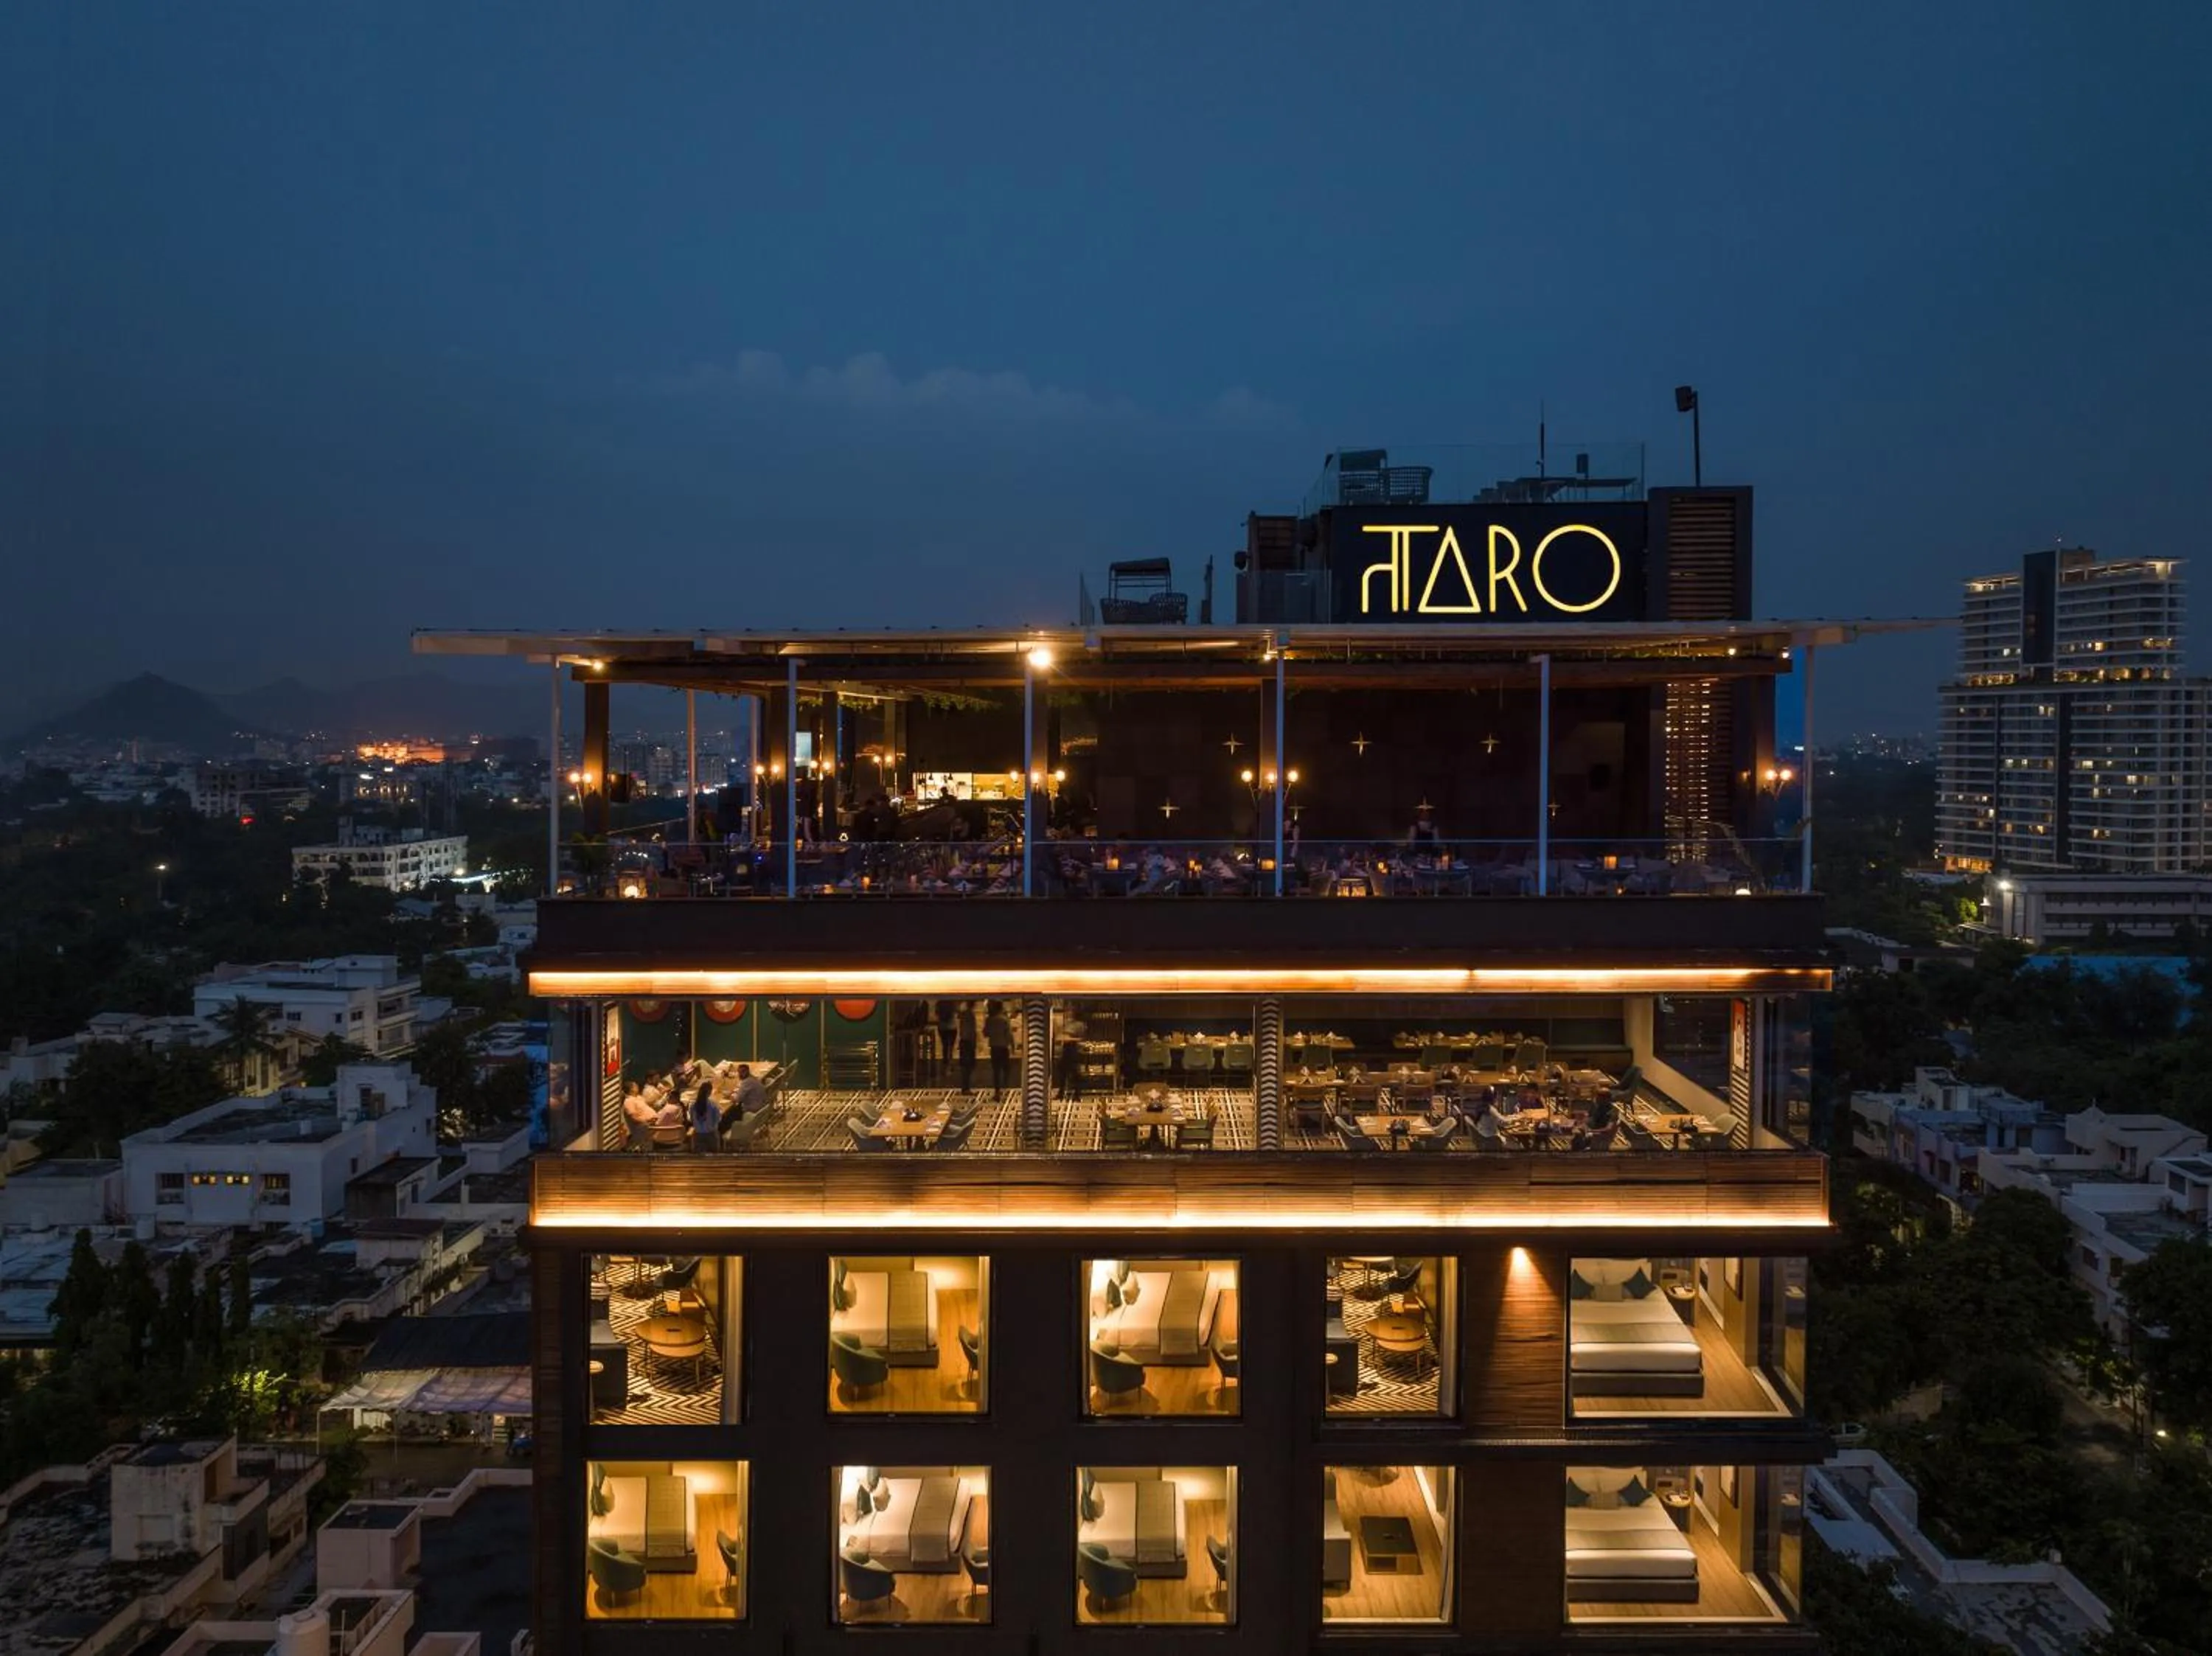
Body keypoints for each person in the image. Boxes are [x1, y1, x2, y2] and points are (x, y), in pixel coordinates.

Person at [984, 1001, 1013, 1097]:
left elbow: (986, 1033)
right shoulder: (1005, 1019)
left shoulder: (989, 1020)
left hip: (994, 1047)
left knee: (996, 1070)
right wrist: (1012, 1045)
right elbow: (1009, 1034)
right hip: (1003, 1047)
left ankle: (997, 1091)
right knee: (1006, 1068)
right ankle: (1005, 1086)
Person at [956, 1001, 979, 1094]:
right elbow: (970, 1030)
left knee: (966, 1066)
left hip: (965, 1041)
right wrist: (973, 1043)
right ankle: (966, 1088)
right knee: (967, 1066)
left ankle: (965, 1087)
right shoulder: (969, 1015)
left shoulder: (964, 1014)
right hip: (968, 1042)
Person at [689, 1083, 720, 1152]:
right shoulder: (713, 1105)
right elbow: (718, 1120)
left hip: (698, 1136)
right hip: (711, 1136)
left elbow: (692, 1120)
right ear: (709, 1092)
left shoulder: (693, 1105)